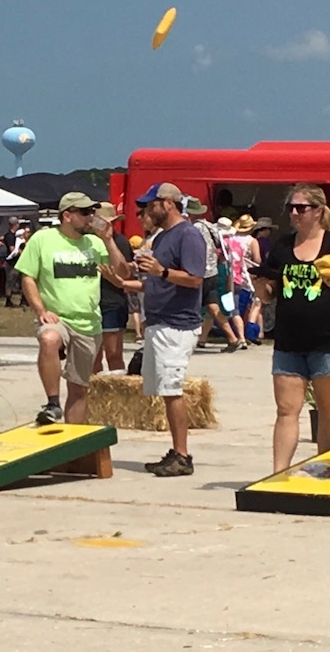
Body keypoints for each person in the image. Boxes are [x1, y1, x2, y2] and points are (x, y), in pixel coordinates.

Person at [253, 184, 330, 474]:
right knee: (286, 410)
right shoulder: (281, 247)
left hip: (328, 342)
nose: (294, 213)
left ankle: (328, 467)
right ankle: (279, 472)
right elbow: (270, 294)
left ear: (318, 211)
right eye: (291, 207)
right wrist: (258, 284)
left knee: (328, 409)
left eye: (301, 208)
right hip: (289, 343)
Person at [17, 192, 128, 425]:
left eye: (92, 212)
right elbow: (28, 277)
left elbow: (123, 273)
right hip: (58, 317)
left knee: (79, 390)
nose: (91, 217)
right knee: (49, 338)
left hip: (89, 322)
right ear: (67, 215)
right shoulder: (43, 239)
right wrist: (41, 311)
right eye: (85, 212)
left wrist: (108, 240)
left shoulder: (95, 243)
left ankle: (72, 445)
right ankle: (53, 402)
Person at [131, 182, 207, 477]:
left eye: (153, 204)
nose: (149, 209)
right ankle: (176, 450)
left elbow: (195, 278)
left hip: (177, 324)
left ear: (169, 203)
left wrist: (161, 272)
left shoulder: (188, 235)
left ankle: (183, 455)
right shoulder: (164, 237)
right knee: (164, 389)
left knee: (172, 389)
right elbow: (159, 276)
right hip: (161, 321)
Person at [188, 197, 244, 353]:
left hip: (200, 271)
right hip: (213, 271)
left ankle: (188, 339)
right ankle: (232, 338)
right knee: (213, 307)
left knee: (192, 305)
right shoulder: (209, 226)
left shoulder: (195, 228)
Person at [93, 202, 135, 373]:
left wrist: (108, 240)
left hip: (112, 300)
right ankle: (94, 392)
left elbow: (126, 271)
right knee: (93, 355)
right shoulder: (87, 240)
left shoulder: (120, 241)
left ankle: (116, 389)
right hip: (91, 300)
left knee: (113, 353)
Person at [231, 215, 265, 343]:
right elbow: (257, 259)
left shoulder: (232, 239)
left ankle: (238, 332)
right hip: (248, 274)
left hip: (234, 273)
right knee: (255, 303)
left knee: (238, 305)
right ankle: (250, 331)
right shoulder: (252, 241)